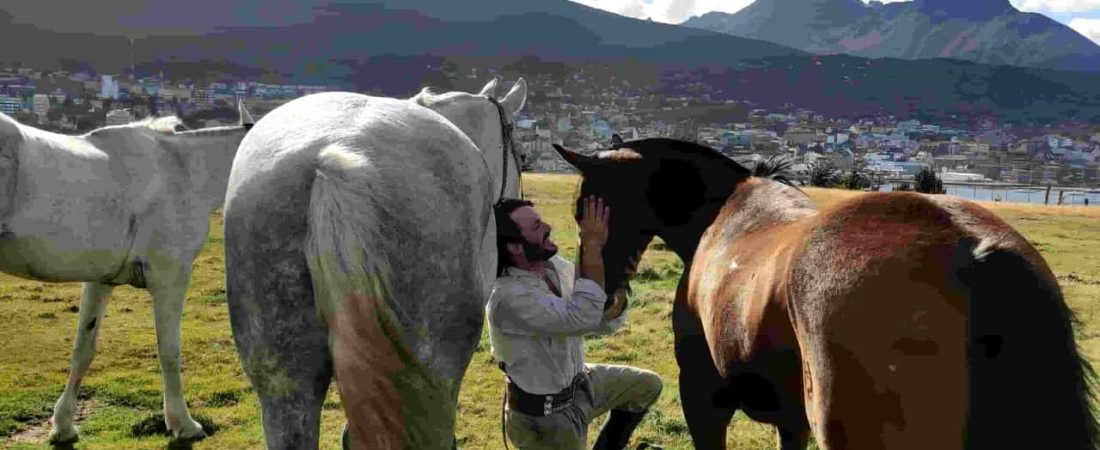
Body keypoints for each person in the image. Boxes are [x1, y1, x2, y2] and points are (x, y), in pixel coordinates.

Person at [487, 197, 664, 450]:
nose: (548, 226)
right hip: (546, 419)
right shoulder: (508, 298)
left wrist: (617, 289)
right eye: (536, 226)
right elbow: (580, 317)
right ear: (515, 247)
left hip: (580, 384)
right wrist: (590, 244)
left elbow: (598, 320)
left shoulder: (555, 267)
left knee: (647, 386)